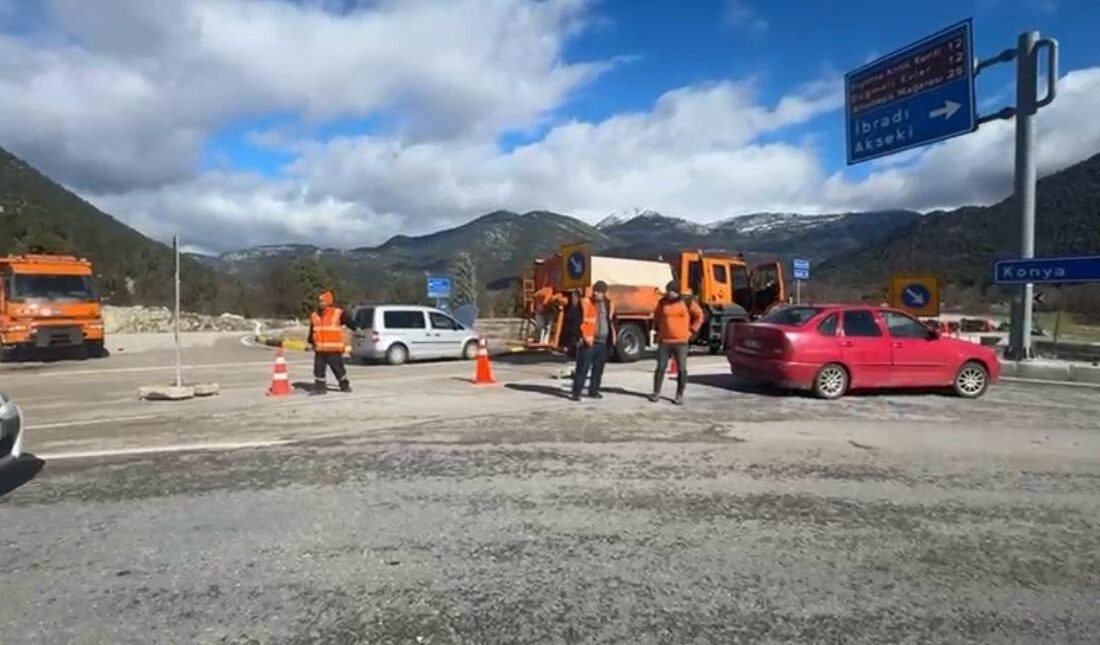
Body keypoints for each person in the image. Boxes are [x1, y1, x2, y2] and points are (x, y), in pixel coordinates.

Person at [650, 280, 704, 405]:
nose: (670, 293)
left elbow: (699, 316)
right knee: (660, 368)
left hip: (681, 342)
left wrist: (692, 330)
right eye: (668, 290)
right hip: (664, 341)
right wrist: (656, 329)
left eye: (673, 291)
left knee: (682, 369)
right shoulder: (662, 302)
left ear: (678, 291)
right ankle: (656, 393)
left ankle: (679, 395)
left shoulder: (686, 302)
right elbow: (656, 317)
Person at [571, 281, 616, 401]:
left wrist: (612, 339)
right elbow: (576, 321)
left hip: (603, 343)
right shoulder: (586, 302)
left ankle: (594, 391)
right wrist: (578, 337)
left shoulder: (609, 304)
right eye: (595, 290)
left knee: (598, 370)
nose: (596, 293)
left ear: (604, 293)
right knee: (582, 369)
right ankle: (577, 392)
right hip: (588, 341)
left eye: (599, 291)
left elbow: (612, 321)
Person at [307, 289, 357, 395]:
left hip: (333, 350)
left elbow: (349, 322)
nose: (320, 303)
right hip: (320, 349)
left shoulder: (337, 313)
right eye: (319, 301)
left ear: (328, 301)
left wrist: (356, 328)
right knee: (318, 370)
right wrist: (310, 341)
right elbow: (313, 330)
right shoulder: (314, 315)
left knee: (338, 370)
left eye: (322, 301)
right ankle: (320, 389)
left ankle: (344, 385)